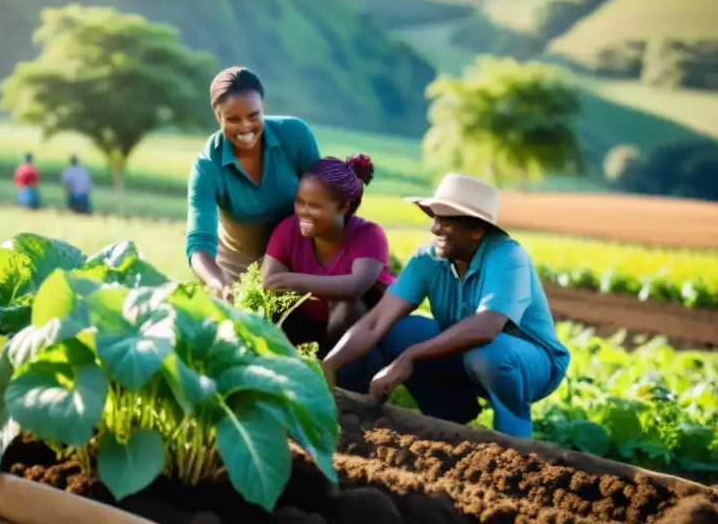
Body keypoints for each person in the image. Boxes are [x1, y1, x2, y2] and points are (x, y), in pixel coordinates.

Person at [321, 173, 571, 439]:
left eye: (446, 221)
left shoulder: (508, 257)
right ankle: (450, 424)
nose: (435, 228)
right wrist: (327, 367)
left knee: (486, 354)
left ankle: (515, 445)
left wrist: (411, 356)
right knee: (396, 330)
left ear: (477, 230)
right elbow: (376, 321)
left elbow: (486, 328)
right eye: (435, 218)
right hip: (469, 354)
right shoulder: (427, 259)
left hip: (533, 364)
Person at [186, 66, 321, 298]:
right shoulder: (208, 166)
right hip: (240, 278)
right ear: (218, 115)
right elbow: (199, 242)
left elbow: (324, 201)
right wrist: (217, 281)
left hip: (299, 267)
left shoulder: (295, 135)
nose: (246, 127)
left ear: (263, 108)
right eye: (233, 119)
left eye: (253, 115)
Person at [261, 154, 396, 356]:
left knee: (345, 305)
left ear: (343, 208)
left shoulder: (368, 235)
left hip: (360, 337)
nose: (303, 212)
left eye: (315, 206)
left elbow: (355, 286)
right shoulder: (289, 229)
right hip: (306, 328)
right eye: (300, 202)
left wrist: (292, 280)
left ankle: (334, 371)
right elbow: (270, 282)